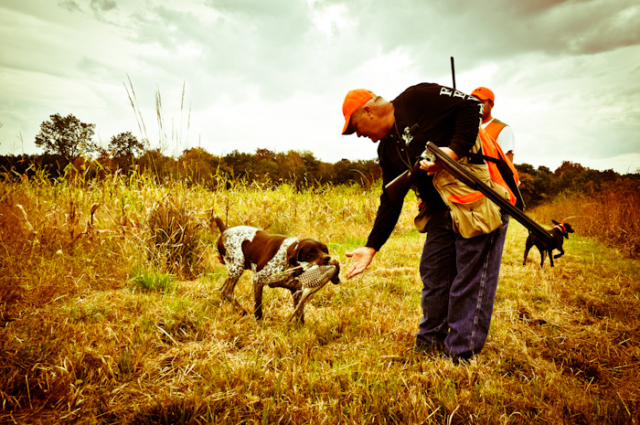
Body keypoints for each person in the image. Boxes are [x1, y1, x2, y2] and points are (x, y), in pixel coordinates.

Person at [341, 83, 510, 364]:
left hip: (477, 203)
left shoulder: (417, 97)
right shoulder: (387, 150)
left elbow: (472, 106)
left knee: (468, 281)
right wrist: (371, 247)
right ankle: (429, 345)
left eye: (356, 126)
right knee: (434, 277)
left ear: (369, 110)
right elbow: (390, 198)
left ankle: (460, 356)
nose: (360, 135)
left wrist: (452, 153)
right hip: (439, 212)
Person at [471, 87, 515, 163]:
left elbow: (508, 165)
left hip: (488, 174)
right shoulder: (464, 126)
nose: (476, 105)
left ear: (491, 105)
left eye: (481, 102)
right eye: (473, 102)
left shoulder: (503, 129)